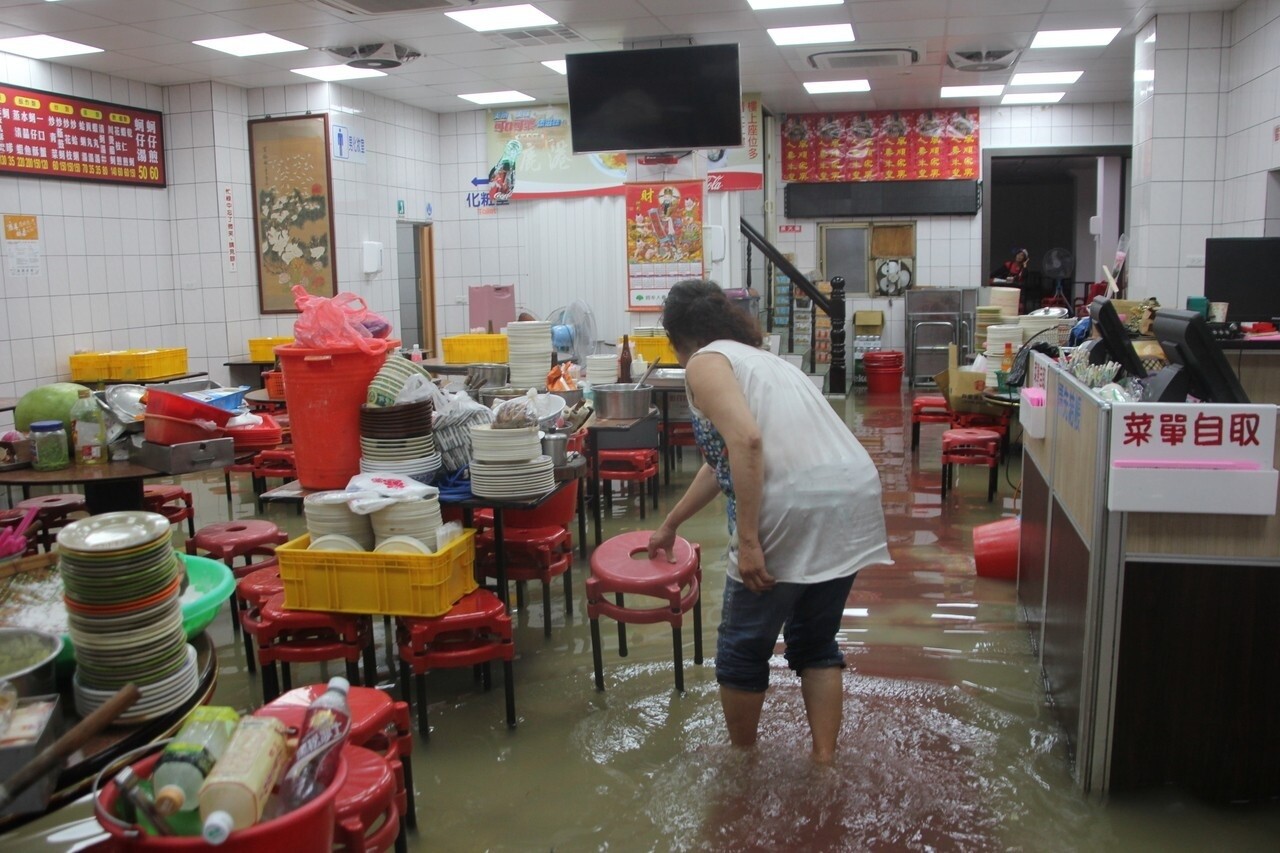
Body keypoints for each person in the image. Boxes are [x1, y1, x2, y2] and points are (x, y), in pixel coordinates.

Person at [647, 279, 892, 764]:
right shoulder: (767, 362)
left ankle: (743, 766)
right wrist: (671, 523)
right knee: (815, 640)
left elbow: (747, 443)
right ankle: (824, 762)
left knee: (742, 649)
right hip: (852, 494)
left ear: (677, 337)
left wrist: (751, 541)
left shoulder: (704, 362)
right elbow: (725, 461)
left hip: (791, 505)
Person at [989, 247, 1031, 312]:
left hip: (1018, 291)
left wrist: (1025, 266)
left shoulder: (1024, 269)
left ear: (1024, 259)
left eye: (1022, 255)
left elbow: (1024, 276)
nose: (1019, 256)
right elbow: (996, 272)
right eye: (1018, 254)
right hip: (1006, 288)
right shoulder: (1009, 265)